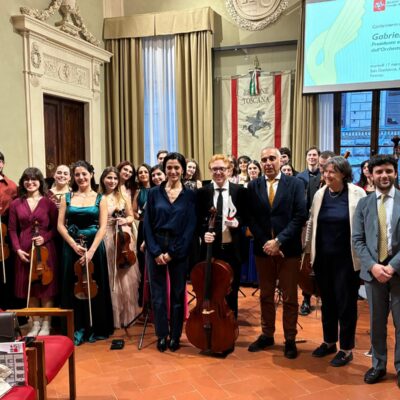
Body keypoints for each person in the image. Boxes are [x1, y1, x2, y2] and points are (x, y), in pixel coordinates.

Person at [304, 156, 366, 367]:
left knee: (346, 305)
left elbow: (364, 226)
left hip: (347, 261)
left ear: (343, 173)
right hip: (322, 259)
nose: (327, 175)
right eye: (325, 171)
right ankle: (329, 341)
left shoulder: (357, 193)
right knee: (327, 302)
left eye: (332, 171)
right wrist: (308, 251)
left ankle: (346, 349)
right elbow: (312, 222)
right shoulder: (320, 193)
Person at [247, 147, 307, 359]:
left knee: (290, 297)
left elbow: (300, 216)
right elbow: (251, 217)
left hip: (288, 250)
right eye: (264, 159)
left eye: (272, 158)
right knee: (265, 295)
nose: (268, 163)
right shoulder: (253, 185)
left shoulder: (295, 184)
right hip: (263, 250)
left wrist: (279, 241)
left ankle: (290, 338)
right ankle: (267, 334)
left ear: (281, 161)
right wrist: (266, 243)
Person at [353, 154, 400, 387]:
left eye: (389, 171)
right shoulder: (364, 204)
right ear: (370, 175)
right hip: (373, 272)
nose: (384, 175)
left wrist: (392, 266)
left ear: (395, 173)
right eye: (379, 171)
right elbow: (357, 239)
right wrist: (373, 266)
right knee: (377, 322)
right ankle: (378, 365)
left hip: (398, 271)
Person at [143, 152, 196, 352]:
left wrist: (172, 252)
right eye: (169, 168)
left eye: (176, 168)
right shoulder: (153, 193)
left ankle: (175, 335)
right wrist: (156, 252)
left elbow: (190, 227)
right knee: (158, 295)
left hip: (179, 248)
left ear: (183, 170)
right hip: (155, 246)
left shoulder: (190, 195)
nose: (173, 171)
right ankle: (161, 334)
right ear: (164, 169)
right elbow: (147, 225)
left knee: (177, 293)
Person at [58, 160, 113, 345]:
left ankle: (95, 327)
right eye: (77, 175)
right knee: (72, 285)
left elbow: (103, 227)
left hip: (94, 247)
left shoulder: (100, 198)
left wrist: (91, 251)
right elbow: (60, 225)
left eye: (84, 174)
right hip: (71, 246)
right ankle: (76, 328)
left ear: (91, 175)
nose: (81, 177)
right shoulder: (66, 197)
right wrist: (73, 245)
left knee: (95, 286)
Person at [8, 167, 58, 336]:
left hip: (45, 250)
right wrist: (17, 250)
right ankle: (35, 323)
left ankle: (46, 324)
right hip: (25, 250)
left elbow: (56, 228)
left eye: (34, 179)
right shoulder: (16, 204)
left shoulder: (48, 203)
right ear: (22, 182)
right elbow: (12, 230)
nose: (30, 182)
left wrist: (45, 238)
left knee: (46, 288)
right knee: (30, 287)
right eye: (26, 179)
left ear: (40, 182)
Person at [197, 154, 247, 320]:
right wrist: (203, 233)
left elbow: (246, 216)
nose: (218, 172)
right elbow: (197, 220)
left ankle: (230, 327)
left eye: (222, 169)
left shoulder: (239, 191)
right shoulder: (202, 192)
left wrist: (237, 222)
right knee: (209, 290)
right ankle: (210, 324)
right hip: (210, 250)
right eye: (215, 169)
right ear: (210, 170)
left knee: (231, 291)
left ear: (229, 170)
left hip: (231, 249)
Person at [99, 167, 140, 328]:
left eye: (115, 178)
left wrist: (125, 220)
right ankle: (113, 317)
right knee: (111, 276)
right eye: (109, 178)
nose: (112, 181)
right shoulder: (99, 197)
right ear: (103, 179)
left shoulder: (123, 196)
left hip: (123, 237)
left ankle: (127, 315)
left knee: (125, 277)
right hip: (106, 237)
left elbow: (130, 216)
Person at [300, 150, 336, 316]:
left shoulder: (341, 183)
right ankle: (306, 298)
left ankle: (329, 299)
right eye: (321, 166)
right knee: (309, 264)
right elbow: (307, 204)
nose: (322, 170)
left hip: (332, 232)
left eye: (326, 166)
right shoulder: (314, 181)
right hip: (314, 228)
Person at [0, 151, 18, 311]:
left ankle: (7, 308)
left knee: (7, 268)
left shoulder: (11, 186)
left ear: (2, 164)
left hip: (4, 229)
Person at [132, 163, 151, 305]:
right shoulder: (139, 191)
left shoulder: (158, 189)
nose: (143, 174)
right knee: (142, 258)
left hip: (156, 226)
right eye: (140, 173)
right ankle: (143, 296)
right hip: (144, 226)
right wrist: (140, 217)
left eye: (145, 172)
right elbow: (133, 210)